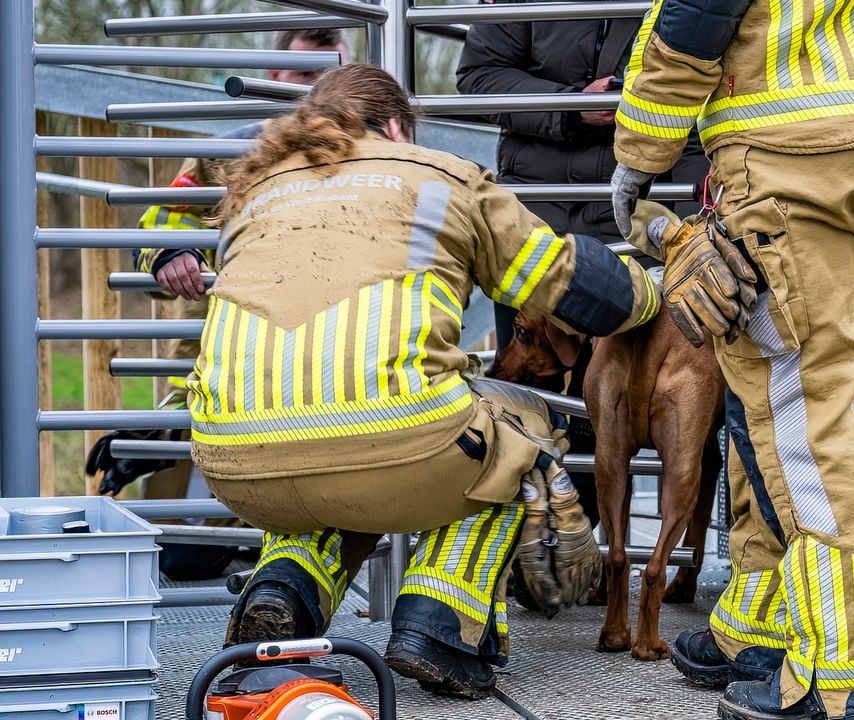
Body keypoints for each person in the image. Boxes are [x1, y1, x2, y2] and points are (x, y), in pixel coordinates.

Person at [189, 64, 663, 700]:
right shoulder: (442, 178)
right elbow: (566, 282)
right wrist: (652, 297)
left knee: (323, 449)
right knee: (515, 427)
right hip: (399, 438)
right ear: (394, 127)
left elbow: (180, 203)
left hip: (235, 458)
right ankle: (439, 629)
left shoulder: (256, 186)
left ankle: (284, 596)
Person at [611, 1, 854, 719]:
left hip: (792, 143)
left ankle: (850, 675)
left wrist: (640, 154)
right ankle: (764, 626)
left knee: (800, 414)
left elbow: (699, 9)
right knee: (758, 395)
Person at [85, 29, 349, 581]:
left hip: (322, 357)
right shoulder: (230, 150)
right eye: (304, 74)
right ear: (272, 77)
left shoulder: (367, 158)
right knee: (182, 553)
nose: (317, 88)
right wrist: (169, 252)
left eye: (330, 72)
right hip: (218, 352)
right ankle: (165, 446)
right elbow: (159, 218)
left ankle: (272, 548)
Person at [456, 0, 710, 532]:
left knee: (653, 405)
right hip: (537, 224)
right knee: (525, 399)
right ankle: (530, 551)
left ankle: (630, 557)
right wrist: (570, 106)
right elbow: (478, 76)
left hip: (652, 217)